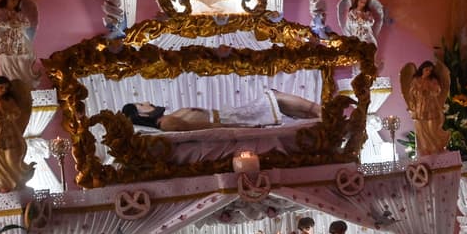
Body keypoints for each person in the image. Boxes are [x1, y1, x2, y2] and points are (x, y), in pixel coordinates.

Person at [119, 89, 320, 131]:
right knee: (275, 98)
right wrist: (239, 126)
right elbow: (207, 127)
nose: (147, 101)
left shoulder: (167, 119)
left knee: (276, 99)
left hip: (229, 116)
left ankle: (319, 113)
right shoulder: (166, 122)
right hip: (228, 119)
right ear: (141, 114)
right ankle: (320, 113)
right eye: (142, 104)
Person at [400, 59, 451, 156]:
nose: (428, 72)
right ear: (422, 69)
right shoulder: (416, 80)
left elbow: (438, 91)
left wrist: (430, 92)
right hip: (420, 106)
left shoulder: (433, 80)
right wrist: (419, 92)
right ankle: (424, 149)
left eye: (430, 70)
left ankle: (436, 147)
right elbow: (411, 92)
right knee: (421, 128)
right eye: (427, 69)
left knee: (432, 127)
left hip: (431, 105)